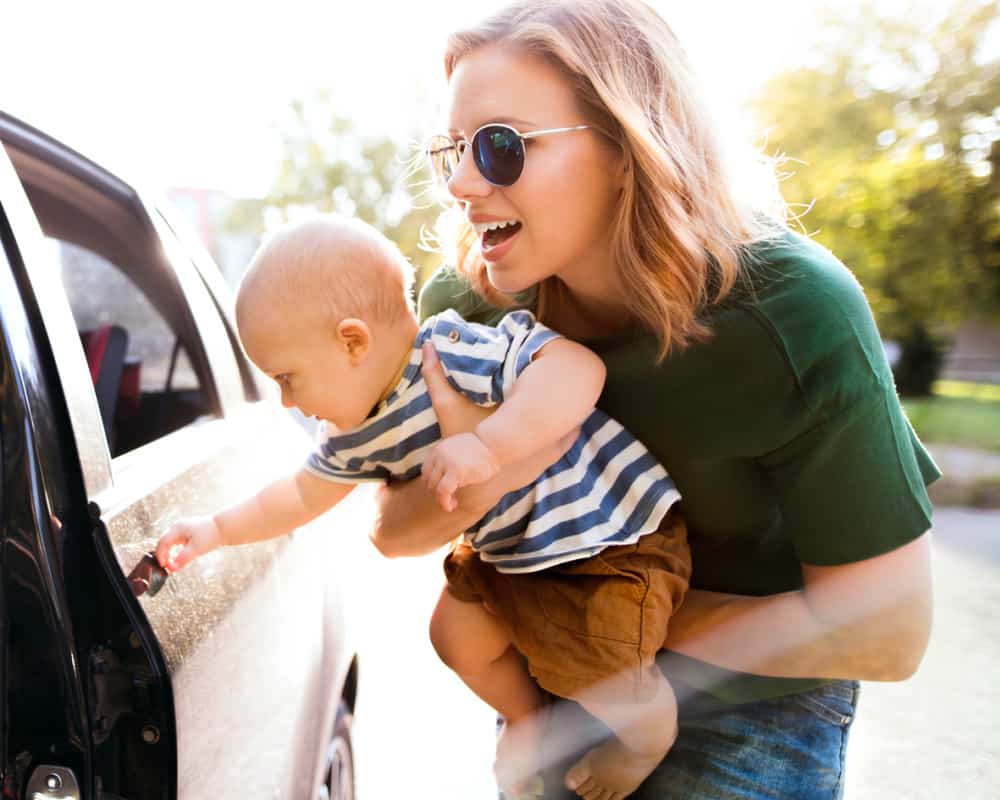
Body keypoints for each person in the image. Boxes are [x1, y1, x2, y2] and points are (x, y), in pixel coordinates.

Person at [368, 0, 939, 798]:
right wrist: (481, 473)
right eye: (452, 151)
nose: (462, 183)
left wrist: (615, 622)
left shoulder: (792, 311)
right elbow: (395, 533)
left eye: (500, 147)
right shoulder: (470, 310)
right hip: (559, 693)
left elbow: (889, 632)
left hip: (753, 713)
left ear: (627, 146)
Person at [153, 214, 692, 798]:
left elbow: (577, 370)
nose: (289, 401)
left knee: (603, 665)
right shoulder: (352, 434)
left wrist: (489, 445)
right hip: (515, 558)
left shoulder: (451, 353)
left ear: (352, 341)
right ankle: (526, 718)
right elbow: (299, 494)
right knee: (454, 637)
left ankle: (647, 739)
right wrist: (215, 528)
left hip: (606, 535)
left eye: (288, 377)